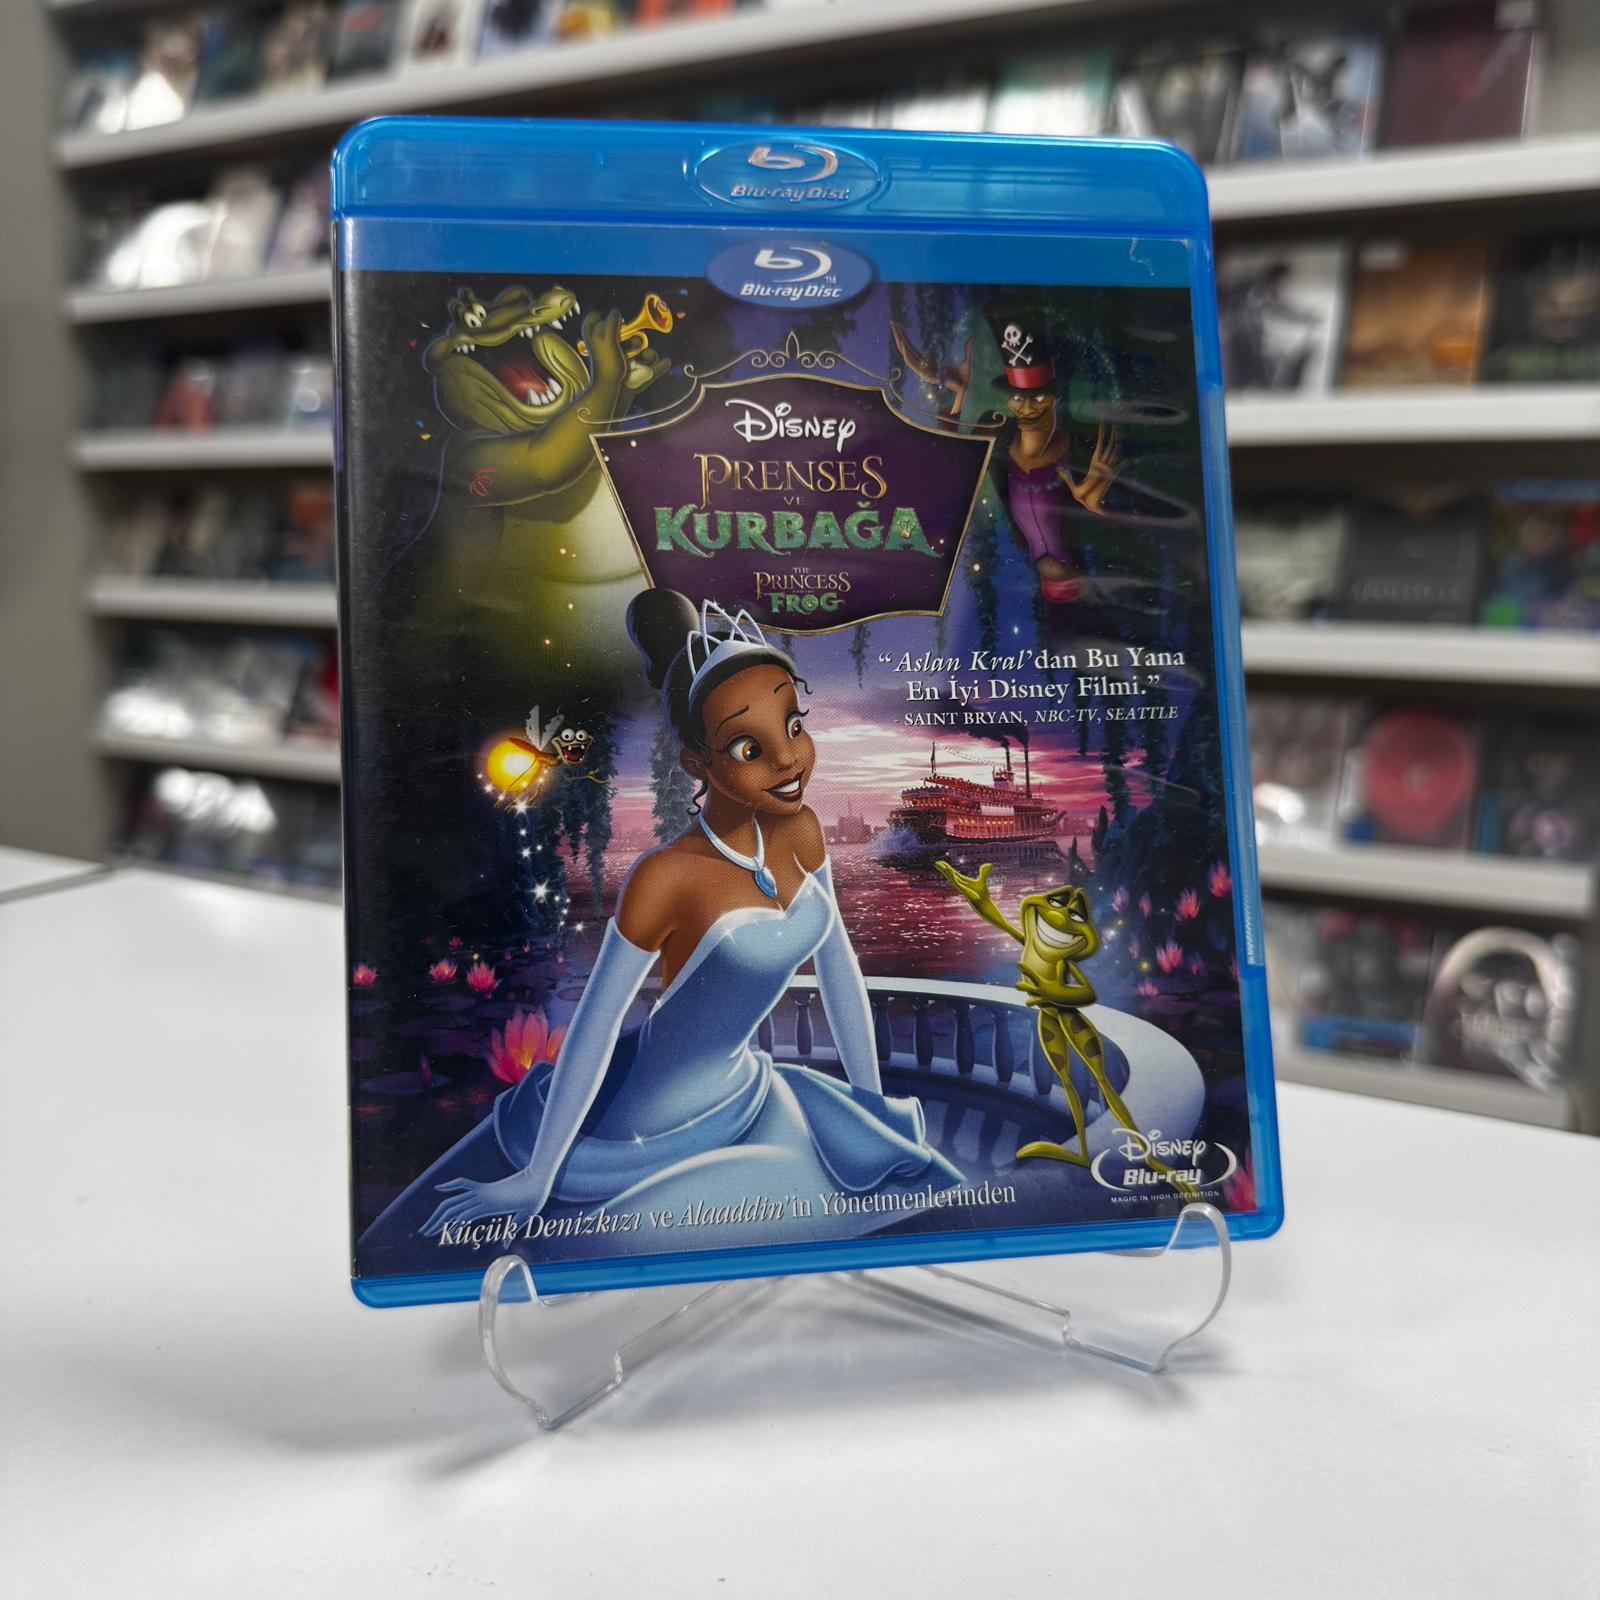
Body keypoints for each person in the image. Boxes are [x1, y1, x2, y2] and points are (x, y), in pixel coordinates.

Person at [361, 591, 962, 1257]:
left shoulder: (801, 831)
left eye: (793, 724)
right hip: (649, 1124)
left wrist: (870, 1106)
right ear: (698, 764)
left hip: (744, 1088)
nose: (789, 760)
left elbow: (838, 965)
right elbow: (595, 1025)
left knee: (896, 1197)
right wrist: (537, 1177)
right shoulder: (665, 877)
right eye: (748, 746)